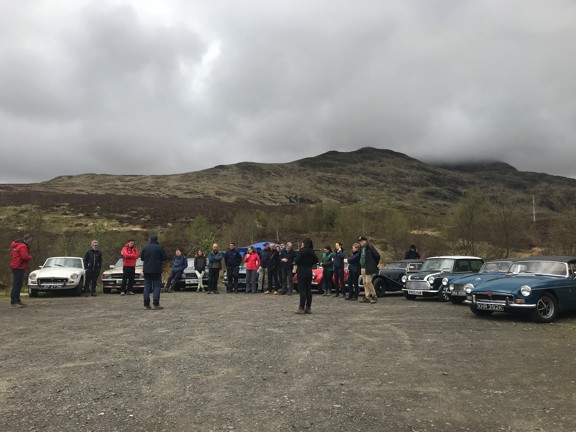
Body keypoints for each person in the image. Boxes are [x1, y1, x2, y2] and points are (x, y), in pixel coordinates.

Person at [141, 234, 168, 309]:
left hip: (146, 270)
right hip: (156, 270)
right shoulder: (159, 247)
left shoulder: (145, 247)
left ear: (150, 240)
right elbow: (165, 258)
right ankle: (156, 304)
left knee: (146, 286)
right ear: (156, 240)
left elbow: (142, 258)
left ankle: (146, 304)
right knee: (156, 286)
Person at [294, 238, 318, 314]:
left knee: (302, 290)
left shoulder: (302, 251)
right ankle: (308, 307)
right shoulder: (312, 251)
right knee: (308, 290)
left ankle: (301, 307)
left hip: (302, 270)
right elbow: (316, 260)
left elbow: (297, 260)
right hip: (309, 270)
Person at [10, 233, 33, 308]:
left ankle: (17, 300)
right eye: (31, 238)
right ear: (28, 238)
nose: (31, 240)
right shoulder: (23, 246)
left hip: (16, 266)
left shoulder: (18, 245)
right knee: (17, 285)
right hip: (18, 267)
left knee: (18, 284)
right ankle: (14, 302)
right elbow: (25, 257)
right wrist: (30, 257)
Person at [358, 236, 381, 304]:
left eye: (361, 241)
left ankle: (374, 295)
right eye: (360, 241)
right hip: (363, 267)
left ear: (365, 241)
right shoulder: (362, 249)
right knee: (364, 282)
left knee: (368, 282)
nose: (360, 243)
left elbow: (377, 256)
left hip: (369, 267)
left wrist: (374, 264)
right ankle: (367, 296)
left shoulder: (370, 247)